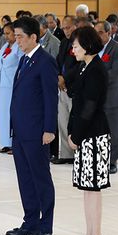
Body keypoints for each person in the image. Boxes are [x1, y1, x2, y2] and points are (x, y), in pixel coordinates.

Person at [5, 17, 57, 235]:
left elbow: (50, 98)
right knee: (25, 178)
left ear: (33, 37)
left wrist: (49, 129)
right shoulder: (24, 60)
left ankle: (45, 226)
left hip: (37, 131)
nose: (16, 41)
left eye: (20, 37)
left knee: (40, 178)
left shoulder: (45, 62)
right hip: (21, 131)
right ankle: (30, 221)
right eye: (15, 36)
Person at [67, 26, 110, 235]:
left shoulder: (97, 70)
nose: (72, 49)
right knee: (86, 188)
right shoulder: (85, 67)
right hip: (86, 134)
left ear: (87, 45)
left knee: (93, 188)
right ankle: (90, 234)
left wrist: (76, 135)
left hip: (94, 134)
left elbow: (90, 108)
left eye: (75, 45)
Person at [95, 21, 118, 174]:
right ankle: (100, 158)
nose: (98, 36)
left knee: (113, 131)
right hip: (97, 98)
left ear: (109, 33)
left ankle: (112, 161)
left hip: (113, 96)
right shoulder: (93, 49)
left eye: (100, 32)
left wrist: (94, 80)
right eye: (96, 32)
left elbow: (115, 73)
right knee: (99, 131)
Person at [53, 15, 78, 165]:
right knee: (62, 121)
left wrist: (65, 78)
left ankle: (77, 153)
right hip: (62, 87)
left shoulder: (80, 43)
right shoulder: (63, 43)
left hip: (74, 87)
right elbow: (58, 62)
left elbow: (78, 65)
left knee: (74, 123)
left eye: (68, 27)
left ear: (75, 26)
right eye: (63, 28)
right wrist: (58, 77)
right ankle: (67, 154)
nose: (66, 30)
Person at [0, 22, 23, 154]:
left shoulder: (19, 47)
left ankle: (15, 142)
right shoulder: (5, 46)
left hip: (12, 84)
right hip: (2, 85)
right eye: (4, 33)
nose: (6, 36)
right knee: (3, 114)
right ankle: (6, 142)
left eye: (8, 33)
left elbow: (21, 65)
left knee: (12, 114)